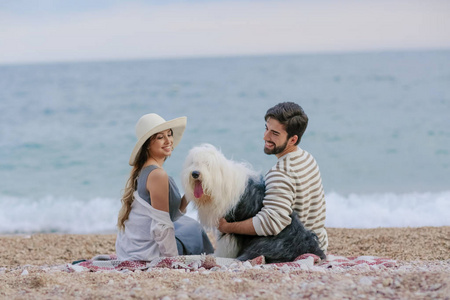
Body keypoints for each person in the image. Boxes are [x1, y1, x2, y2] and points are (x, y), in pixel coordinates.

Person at [218, 102, 328, 252]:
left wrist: (227, 227)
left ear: (293, 140)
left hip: (294, 250)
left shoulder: (280, 173)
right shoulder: (307, 158)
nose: (265, 136)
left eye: (275, 134)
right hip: (319, 245)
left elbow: (271, 223)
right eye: (266, 129)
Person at [116, 113, 214, 261]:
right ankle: (207, 258)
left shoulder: (145, 169)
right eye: (160, 137)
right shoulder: (157, 175)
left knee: (186, 223)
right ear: (148, 144)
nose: (168, 141)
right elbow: (161, 226)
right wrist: (172, 260)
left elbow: (171, 213)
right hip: (146, 251)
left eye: (169, 135)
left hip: (130, 247)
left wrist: (192, 190)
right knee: (193, 228)